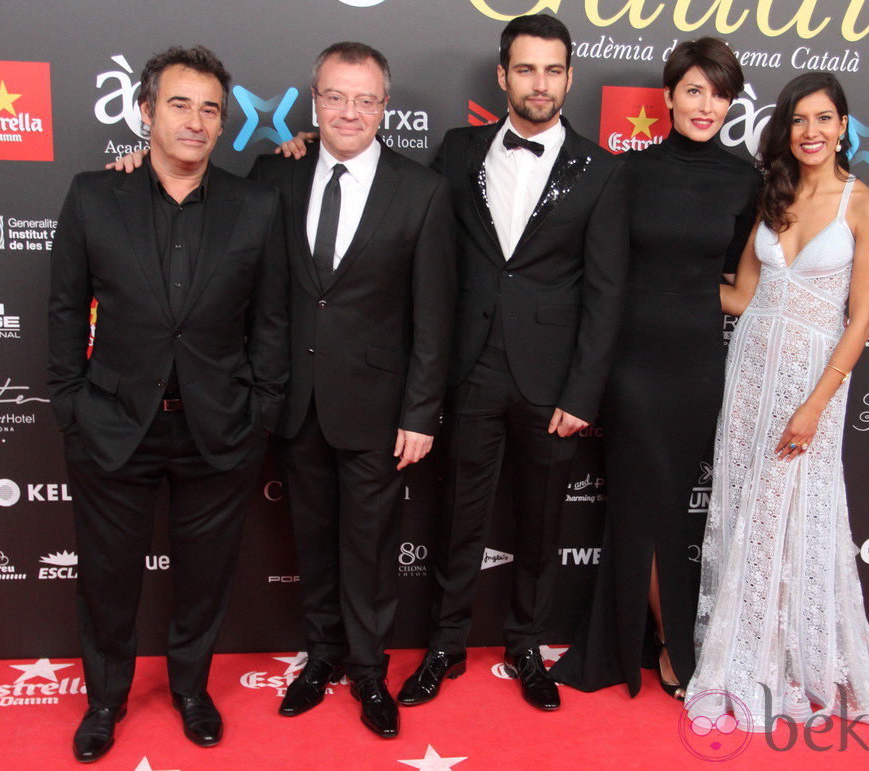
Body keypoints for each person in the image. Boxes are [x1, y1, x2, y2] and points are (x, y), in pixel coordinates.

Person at [48, 46, 288, 762]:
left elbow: (271, 322)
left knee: (205, 575)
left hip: (218, 429)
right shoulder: (95, 195)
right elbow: (64, 310)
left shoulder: (256, 204)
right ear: (146, 111)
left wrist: (261, 411)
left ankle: (191, 688)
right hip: (113, 423)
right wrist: (70, 404)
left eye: (211, 108)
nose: (196, 120)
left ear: (223, 122)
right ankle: (105, 699)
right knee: (107, 576)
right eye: (179, 104)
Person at [684, 72, 869, 730]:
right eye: (799, 120)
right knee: (745, 508)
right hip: (749, 371)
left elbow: (860, 319)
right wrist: (666, 279)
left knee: (796, 514)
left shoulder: (867, 206)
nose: (812, 132)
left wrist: (817, 403)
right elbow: (740, 295)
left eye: (824, 118)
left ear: (844, 126)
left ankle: (792, 656)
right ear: (786, 129)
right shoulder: (772, 196)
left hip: (811, 384)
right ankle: (743, 653)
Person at [395, 14, 628, 712]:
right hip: (470, 369)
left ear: (569, 77)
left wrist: (584, 390)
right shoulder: (456, 151)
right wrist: (308, 145)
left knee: (542, 519)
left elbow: (606, 290)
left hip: (553, 380)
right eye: (525, 69)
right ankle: (445, 642)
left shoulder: (602, 169)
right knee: (458, 516)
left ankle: (526, 642)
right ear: (502, 76)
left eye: (553, 70)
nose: (540, 83)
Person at [249, 42, 455, 739]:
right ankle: (322, 658)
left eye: (366, 99)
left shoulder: (421, 190)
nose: (350, 110)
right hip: (296, 400)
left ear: (384, 108)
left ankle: (368, 670)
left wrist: (421, 410)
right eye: (336, 96)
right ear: (315, 102)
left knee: (369, 544)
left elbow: (434, 313)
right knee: (312, 538)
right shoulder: (274, 177)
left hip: (379, 407)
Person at [550, 38, 760, 701]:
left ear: (730, 103)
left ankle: (640, 639)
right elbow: (604, 276)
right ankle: (673, 644)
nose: (706, 105)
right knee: (646, 507)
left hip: (697, 362)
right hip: (632, 365)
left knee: (668, 510)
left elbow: (734, 279)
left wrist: (698, 303)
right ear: (669, 96)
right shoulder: (626, 172)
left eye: (719, 93)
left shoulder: (744, 178)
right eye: (694, 90)